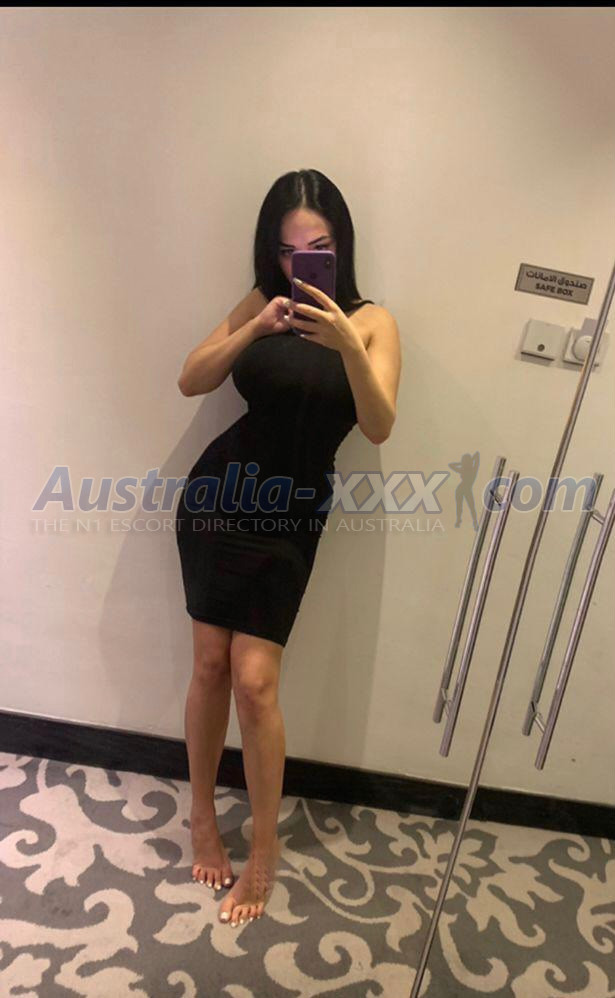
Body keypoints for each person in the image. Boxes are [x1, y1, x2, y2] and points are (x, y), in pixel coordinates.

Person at [175, 168, 401, 929]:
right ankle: (202, 817)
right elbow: (191, 379)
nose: (300, 262)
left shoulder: (373, 322)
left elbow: (378, 425)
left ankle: (264, 846)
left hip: (293, 512)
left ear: (342, 246)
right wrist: (256, 326)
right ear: (271, 254)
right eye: (286, 250)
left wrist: (345, 343)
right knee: (210, 665)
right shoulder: (261, 303)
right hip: (218, 497)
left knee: (256, 681)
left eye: (318, 248)